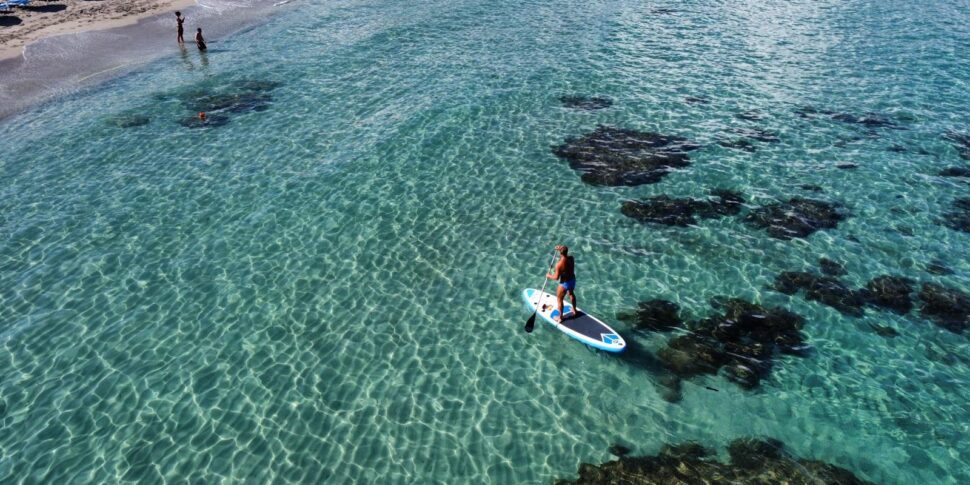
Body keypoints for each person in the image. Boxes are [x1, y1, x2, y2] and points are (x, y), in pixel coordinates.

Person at [545, 245, 576, 323]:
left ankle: (560, 317)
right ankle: (574, 310)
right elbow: (564, 256)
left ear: (560, 253)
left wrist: (548, 275)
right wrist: (560, 249)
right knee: (571, 294)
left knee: (559, 299)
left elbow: (556, 277)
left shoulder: (559, 265)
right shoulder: (571, 258)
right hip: (572, 280)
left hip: (564, 283)